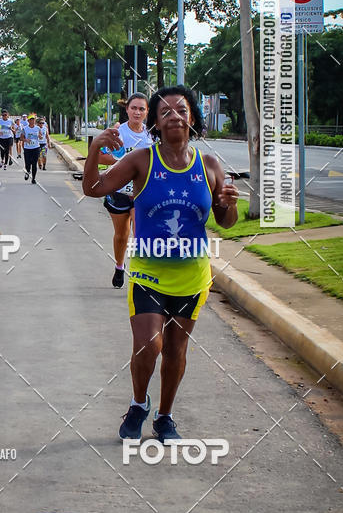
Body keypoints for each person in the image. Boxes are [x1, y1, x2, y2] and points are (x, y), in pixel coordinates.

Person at [83, 86, 239, 442]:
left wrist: (229, 204)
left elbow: (224, 220)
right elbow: (93, 188)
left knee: (175, 350)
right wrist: (95, 148)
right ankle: (139, 403)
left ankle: (165, 417)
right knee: (148, 345)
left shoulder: (209, 165)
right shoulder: (141, 160)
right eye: (165, 111)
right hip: (148, 272)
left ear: (193, 118)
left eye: (181, 110)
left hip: (192, 275)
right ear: (155, 121)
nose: (174, 116)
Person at [99, 93, 153, 290]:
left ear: (147, 112)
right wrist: (124, 163)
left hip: (142, 193)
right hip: (119, 190)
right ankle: (119, 266)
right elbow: (99, 157)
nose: (137, 112)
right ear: (127, 109)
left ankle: (141, 275)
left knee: (140, 234)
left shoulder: (152, 136)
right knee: (122, 234)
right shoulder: (117, 133)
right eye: (134, 108)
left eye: (141, 109)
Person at [21, 115, 41, 184]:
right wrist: (25, 140)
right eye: (31, 120)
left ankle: (33, 178)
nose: (32, 121)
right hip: (27, 148)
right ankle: (28, 171)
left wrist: (39, 136)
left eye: (33, 120)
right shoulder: (25, 128)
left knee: (34, 163)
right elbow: (21, 138)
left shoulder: (38, 128)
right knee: (27, 163)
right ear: (28, 121)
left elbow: (41, 136)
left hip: (36, 147)